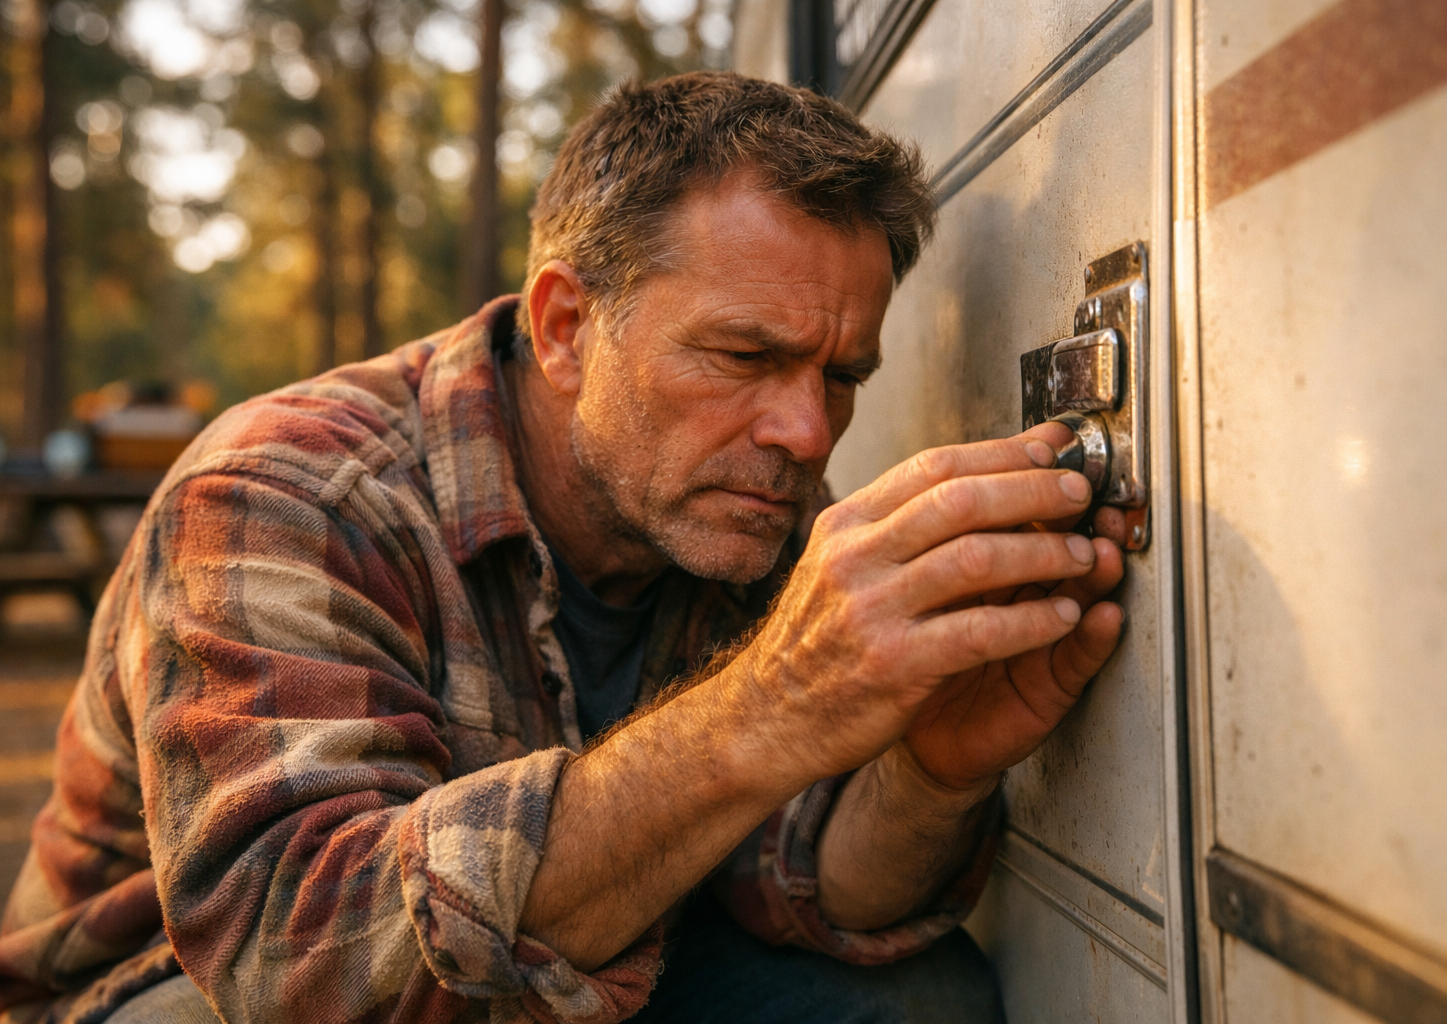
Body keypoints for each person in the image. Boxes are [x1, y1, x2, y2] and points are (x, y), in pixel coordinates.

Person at [0, 72, 1125, 1024]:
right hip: (177, 994)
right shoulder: (286, 492)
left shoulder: (741, 503)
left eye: (839, 375)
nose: (805, 432)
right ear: (566, 328)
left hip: (571, 973)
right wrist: (774, 703)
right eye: (742, 356)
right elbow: (307, 957)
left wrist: (935, 769)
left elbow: (792, 884)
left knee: (914, 997)